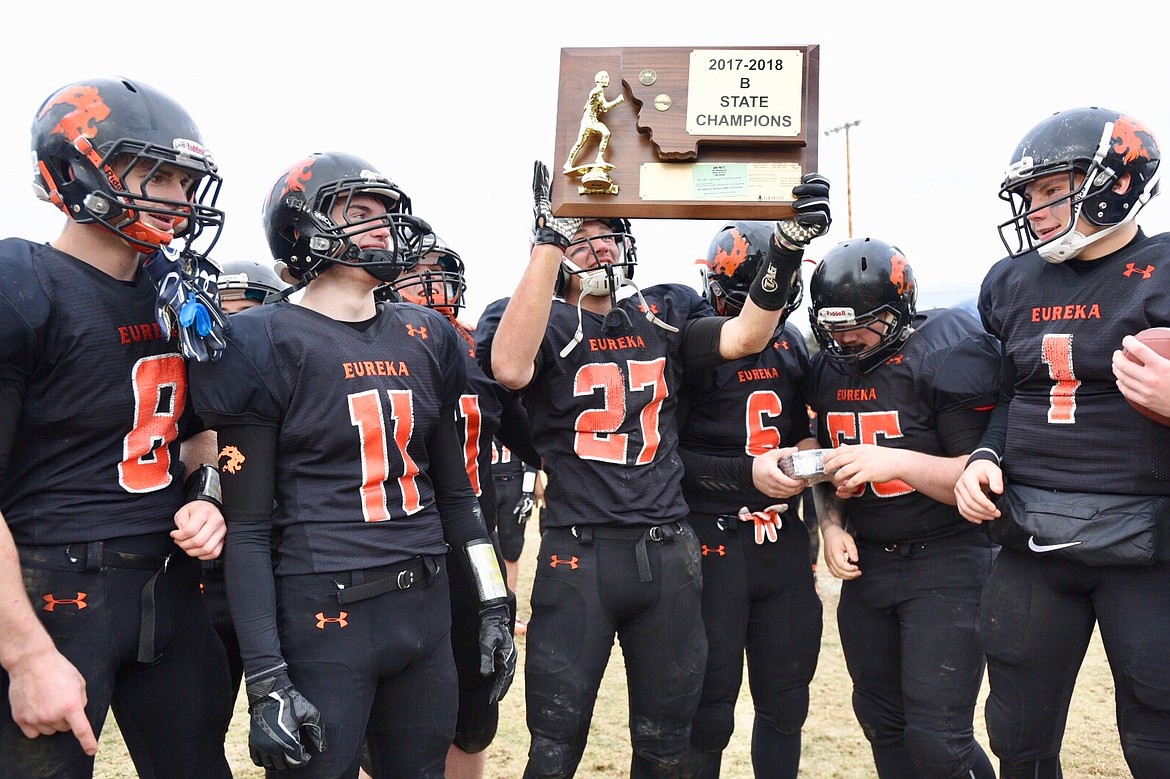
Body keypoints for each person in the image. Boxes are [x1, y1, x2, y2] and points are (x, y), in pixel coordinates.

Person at [482, 161, 830, 777]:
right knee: (554, 747)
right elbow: (509, 368)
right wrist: (546, 240)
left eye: (608, 233)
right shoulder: (534, 317)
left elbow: (748, 335)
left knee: (668, 745)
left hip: (668, 551)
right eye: (579, 234)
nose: (598, 246)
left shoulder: (664, 309)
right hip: (578, 554)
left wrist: (786, 246)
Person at [188, 151, 515, 779]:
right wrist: (265, 677)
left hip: (424, 605)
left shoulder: (428, 335)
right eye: (358, 212)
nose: (381, 227)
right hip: (323, 610)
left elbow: (457, 497)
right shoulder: (262, 339)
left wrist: (492, 600)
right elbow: (250, 529)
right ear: (302, 226)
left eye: (386, 214)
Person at [0, 76, 233, 778]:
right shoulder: (23, 281)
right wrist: (27, 653)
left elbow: (197, 433)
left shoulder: (176, 290)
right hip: (52, 589)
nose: (179, 198)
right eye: (156, 174)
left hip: (167, 588)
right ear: (75, 169)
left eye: (186, 180)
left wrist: (208, 492)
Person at [954, 106, 1170, 778]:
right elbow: (1014, 392)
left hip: (1150, 544)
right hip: (1033, 541)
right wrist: (985, 454)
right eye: (1029, 195)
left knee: (1157, 742)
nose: (1037, 210)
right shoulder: (1012, 280)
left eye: (1052, 190)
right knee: (1018, 738)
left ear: (1115, 181)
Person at [805, 237, 1000, 779]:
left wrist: (895, 462)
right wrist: (830, 523)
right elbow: (823, 459)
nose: (845, 339)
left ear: (898, 313)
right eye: (834, 327)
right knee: (881, 721)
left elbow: (978, 483)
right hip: (870, 565)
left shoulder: (944, 355)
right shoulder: (827, 369)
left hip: (946, 561)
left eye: (860, 325)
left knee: (939, 738)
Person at [379, 232, 537, 779]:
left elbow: (534, 440)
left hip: (473, 550)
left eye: (443, 276)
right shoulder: (359, 344)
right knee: (382, 717)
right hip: (389, 548)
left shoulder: (477, 353)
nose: (436, 289)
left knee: (473, 710)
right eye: (421, 276)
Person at [678, 221, 823, 778]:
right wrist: (746, 473)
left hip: (781, 543)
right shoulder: (692, 343)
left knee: (786, 704)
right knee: (707, 710)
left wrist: (809, 468)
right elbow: (669, 460)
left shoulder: (791, 345)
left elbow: (807, 432)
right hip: (711, 542)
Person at [491, 441, 543, 595]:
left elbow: (529, 445)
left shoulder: (515, 416)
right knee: (480, 544)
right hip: (483, 482)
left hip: (514, 482)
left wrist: (532, 485)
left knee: (511, 548)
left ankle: (510, 602)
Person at [563, 70, 625, 172]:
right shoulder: (597, 91)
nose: (608, 81)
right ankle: (568, 163)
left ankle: (599, 158)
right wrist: (618, 100)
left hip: (593, 120)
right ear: (601, 80)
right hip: (588, 122)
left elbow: (590, 106)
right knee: (580, 143)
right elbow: (605, 107)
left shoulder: (596, 92)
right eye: (606, 78)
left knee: (606, 133)